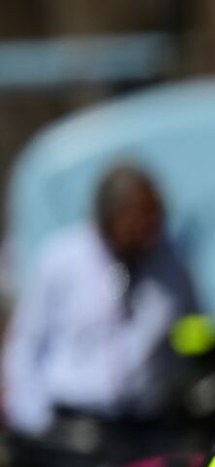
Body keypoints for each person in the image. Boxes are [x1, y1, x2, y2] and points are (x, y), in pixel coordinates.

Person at [4, 164, 195, 437]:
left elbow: (191, 332)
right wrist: (35, 421)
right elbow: (25, 344)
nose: (149, 228)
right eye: (139, 216)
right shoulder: (61, 259)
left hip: (146, 424)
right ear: (112, 215)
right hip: (71, 423)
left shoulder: (171, 262)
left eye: (155, 216)